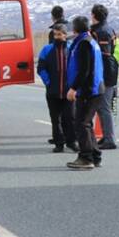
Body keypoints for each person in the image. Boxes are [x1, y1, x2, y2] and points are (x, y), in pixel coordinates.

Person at [65, 15, 105, 170]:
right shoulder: (89, 41)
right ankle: (95, 155)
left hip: (89, 90)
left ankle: (86, 157)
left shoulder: (84, 44)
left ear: (74, 29)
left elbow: (84, 70)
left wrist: (73, 88)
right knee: (86, 123)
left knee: (82, 124)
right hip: (94, 88)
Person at [37, 13, 76, 153]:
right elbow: (41, 69)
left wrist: (74, 85)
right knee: (55, 119)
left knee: (70, 118)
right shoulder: (47, 50)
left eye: (60, 34)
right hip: (53, 91)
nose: (58, 37)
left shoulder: (72, 49)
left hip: (68, 91)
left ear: (66, 34)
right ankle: (59, 143)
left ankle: (72, 141)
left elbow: (78, 68)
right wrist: (48, 82)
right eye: (55, 34)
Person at [90, 4, 119, 149]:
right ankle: (106, 137)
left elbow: (102, 56)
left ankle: (110, 140)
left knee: (104, 107)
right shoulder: (107, 29)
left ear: (95, 16)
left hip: (105, 73)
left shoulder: (102, 32)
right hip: (108, 71)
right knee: (101, 106)